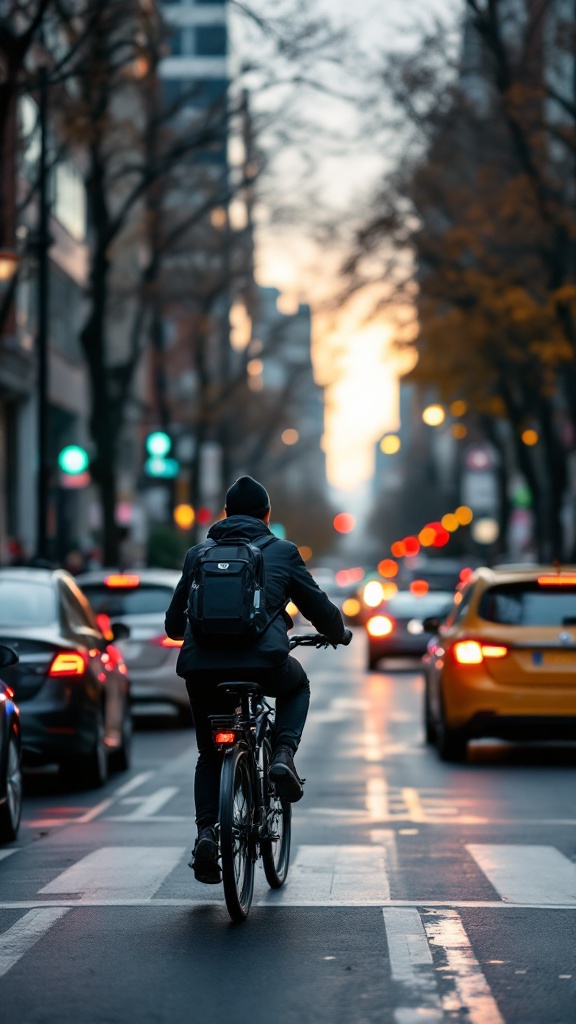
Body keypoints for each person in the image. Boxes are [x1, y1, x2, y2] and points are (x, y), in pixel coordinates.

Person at [165, 475, 351, 884]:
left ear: (225, 515)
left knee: (210, 754)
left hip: (201, 670)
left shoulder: (199, 554)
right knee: (296, 683)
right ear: (268, 516)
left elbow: (173, 626)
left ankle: (206, 833)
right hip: (263, 664)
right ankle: (283, 756)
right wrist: (339, 633)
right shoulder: (282, 552)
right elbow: (318, 608)